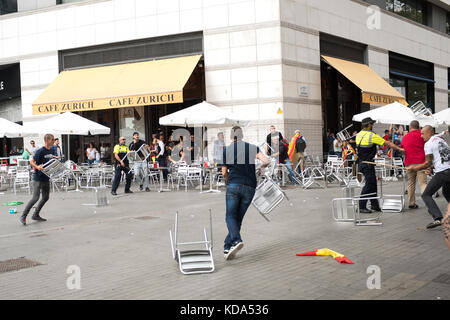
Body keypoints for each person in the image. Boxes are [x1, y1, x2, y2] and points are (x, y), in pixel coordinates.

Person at [222, 126, 270, 260]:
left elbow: (224, 172)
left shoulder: (227, 150)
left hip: (233, 185)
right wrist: (262, 167)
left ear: (231, 136)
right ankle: (227, 247)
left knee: (230, 217)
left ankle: (236, 240)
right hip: (249, 186)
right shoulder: (252, 147)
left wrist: (227, 181)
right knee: (238, 218)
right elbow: (266, 160)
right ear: (242, 135)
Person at [356, 117, 404, 213]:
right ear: (369, 125)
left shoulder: (359, 134)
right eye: (372, 124)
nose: (373, 125)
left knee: (373, 184)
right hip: (368, 163)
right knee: (369, 184)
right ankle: (361, 206)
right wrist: (400, 149)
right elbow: (387, 143)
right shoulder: (371, 135)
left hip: (361, 162)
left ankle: (374, 205)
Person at [408, 125, 450, 229]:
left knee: (426, 194)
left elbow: (427, 163)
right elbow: (438, 158)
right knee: (446, 192)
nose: (421, 136)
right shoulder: (441, 140)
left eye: (423, 133)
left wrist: (414, 168)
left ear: (429, 132)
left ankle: (438, 218)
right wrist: (431, 167)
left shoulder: (428, 144)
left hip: (443, 172)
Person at [19, 134, 55, 225]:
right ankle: (23, 216)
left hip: (46, 177)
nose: (53, 141)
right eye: (52, 140)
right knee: (35, 198)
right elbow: (31, 162)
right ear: (47, 141)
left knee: (46, 197)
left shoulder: (51, 150)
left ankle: (35, 214)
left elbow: (49, 162)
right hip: (38, 178)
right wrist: (37, 167)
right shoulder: (40, 151)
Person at [400, 120, 427, 209]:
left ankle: (411, 203)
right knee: (422, 183)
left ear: (410, 127)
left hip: (409, 163)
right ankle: (428, 201)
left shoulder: (405, 137)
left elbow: (402, 150)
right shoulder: (422, 134)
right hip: (421, 162)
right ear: (418, 126)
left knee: (411, 183)